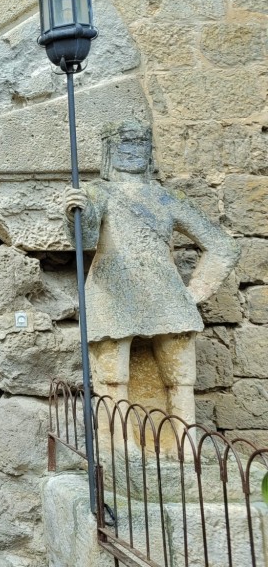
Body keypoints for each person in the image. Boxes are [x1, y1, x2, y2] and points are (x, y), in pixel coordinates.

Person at [63, 120, 239, 422]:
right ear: (109, 149)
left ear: (150, 150)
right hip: (113, 291)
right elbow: (87, 240)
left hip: (165, 293)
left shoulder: (166, 197)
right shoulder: (98, 193)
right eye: (125, 143)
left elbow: (223, 246)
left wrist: (193, 293)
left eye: (140, 143)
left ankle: (183, 445)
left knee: (181, 376)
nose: (133, 151)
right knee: (112, 378)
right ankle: (121, 448)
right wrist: (75, 214)